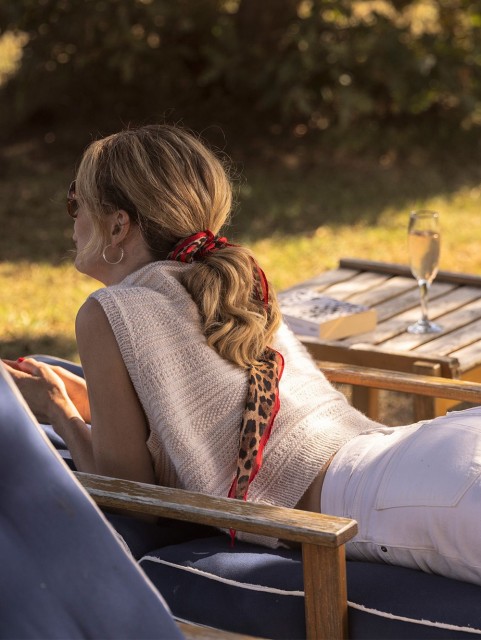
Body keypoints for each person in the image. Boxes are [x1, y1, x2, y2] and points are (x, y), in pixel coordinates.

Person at [4, 124, 481, 587]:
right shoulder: (225, 280)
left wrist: (57, 409)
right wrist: (92, 402)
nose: (72, 220)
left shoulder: (111, 311)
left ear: (118, 225)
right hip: (424, 452)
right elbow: (204, 412)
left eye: (76, 203)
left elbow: (132, 498)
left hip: (399, 501)